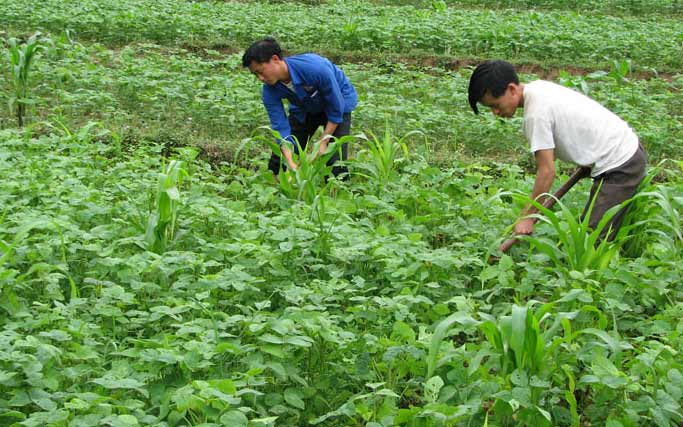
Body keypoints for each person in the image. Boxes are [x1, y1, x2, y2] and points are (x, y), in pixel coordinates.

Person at [468, 60, 647, 241]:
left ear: (512, 89)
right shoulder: (538, 88)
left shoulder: (535, 115)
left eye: (495, 105)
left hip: (621, 162)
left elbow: (547, 171)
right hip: (621, 148)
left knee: (590, 241)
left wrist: (528, 217)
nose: (495, 112)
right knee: (589, 230)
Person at [242, 37, 358, 179]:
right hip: (305, 108)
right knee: (279, 161)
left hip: (338, 103)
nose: (260, 78)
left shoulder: (315, 69)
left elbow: (336, 106)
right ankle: (278, 189)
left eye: (261, 71)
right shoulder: (269, 91)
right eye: (255, 74)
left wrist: (324, 140)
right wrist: (290, 161)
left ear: (275, 59)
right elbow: (280, 126)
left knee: (335, 161)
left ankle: (336, 193)